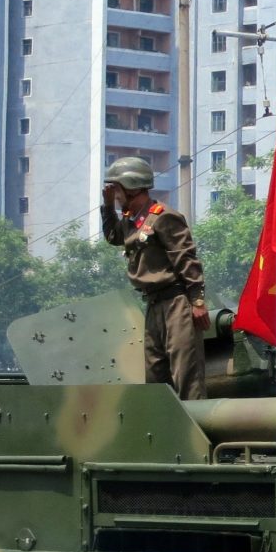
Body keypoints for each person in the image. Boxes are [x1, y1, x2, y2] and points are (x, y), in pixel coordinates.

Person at [101, 156, 210, 400]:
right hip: (153, 303)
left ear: (131, 186)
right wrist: (107, 207)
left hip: (176, 304)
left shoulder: (163, 217)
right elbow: (113, 237)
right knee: (155, 377)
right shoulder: (132, 220)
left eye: (116, 188)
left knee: (186, 376)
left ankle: (194, 422)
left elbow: (185, 258)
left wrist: (197, 301)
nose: (114, 195)